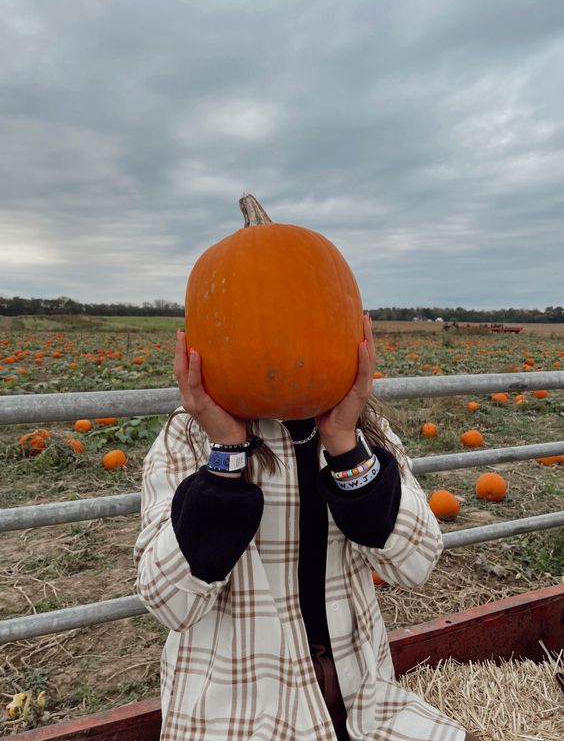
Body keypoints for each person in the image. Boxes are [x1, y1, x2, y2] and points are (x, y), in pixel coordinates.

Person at [134, 313, 478, 740]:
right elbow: (170, 604)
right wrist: (225, 459)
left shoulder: (365, 434)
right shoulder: (187, 439)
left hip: (358, 700)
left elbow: (415, 564)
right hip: (240, 713)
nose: (284, 345)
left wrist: (344, 445)